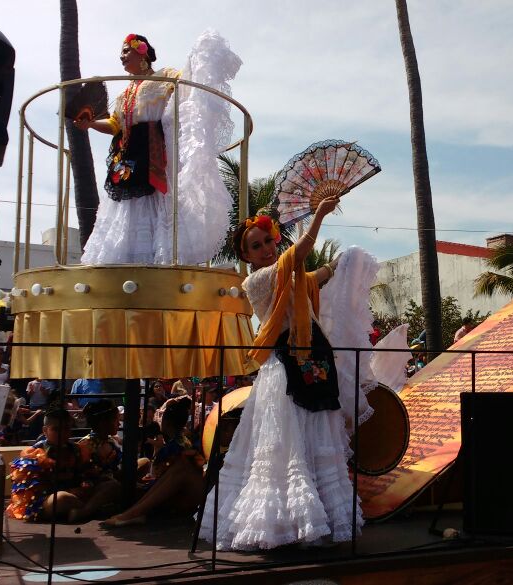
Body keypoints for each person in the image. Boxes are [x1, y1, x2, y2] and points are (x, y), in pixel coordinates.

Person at [199, 194, 365, 550]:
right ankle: (279, 526)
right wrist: (319, 215)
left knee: (315, 441)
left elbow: (312, 276)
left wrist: (342, 263)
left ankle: (314, 523)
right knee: (285, 449)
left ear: (276, 238)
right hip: (285, 369)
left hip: (314, 359)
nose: (265, 248)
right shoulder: (257, 281)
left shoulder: (289, 276)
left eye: (268, 241)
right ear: (246, 256)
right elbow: (300, 255)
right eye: (255, 246)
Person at [74, 32, 239, 265]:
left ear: (141, 51)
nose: (121, 58)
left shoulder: (166, 77)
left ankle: (158, 259)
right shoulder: (123, 94)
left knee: (158, 203)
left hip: (154, 154)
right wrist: (89, 124)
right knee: (127, 208)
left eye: (125, 51)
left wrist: (201, 58)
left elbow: (187, 90)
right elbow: (114, 125)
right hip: (127, 157)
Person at [102, 395, 204, 526]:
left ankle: (134, 512)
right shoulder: (183, 442)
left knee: (123, 488)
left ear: (166, 422)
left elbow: (160, 476)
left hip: (174, 496)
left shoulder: (173, 447)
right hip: (173, 489)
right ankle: (133, 512)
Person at [7, 408, 91, 522]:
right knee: (61, 498)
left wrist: (83, 485)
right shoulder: (34, 453)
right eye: (56, 429)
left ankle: (83, 511)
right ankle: (89, 509)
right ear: (45, 430)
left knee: (110, 486)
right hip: (48, 500)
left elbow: (84, 474)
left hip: (75, 494)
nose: (62, 433)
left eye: (66, 428)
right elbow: (32, 490)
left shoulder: (77, 449)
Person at [72, 400, 123, 522]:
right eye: (116, 420)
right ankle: (84, 511)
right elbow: (81, 475)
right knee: (112, 485)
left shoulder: (110, 441)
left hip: (111, 478)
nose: (119, 424)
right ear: (103, 423)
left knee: (144, 463)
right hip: (94, 486)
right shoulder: (87, 444)